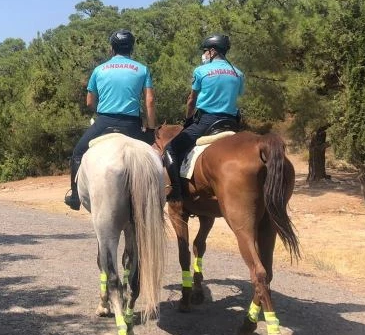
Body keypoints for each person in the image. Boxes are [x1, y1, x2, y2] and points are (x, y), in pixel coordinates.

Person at [64, 29, 157, 210]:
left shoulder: (99, 70)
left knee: (78, 153)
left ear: (112, 48)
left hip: (104, 121)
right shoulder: (142, 69)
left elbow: (90, 101)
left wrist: (101, 110)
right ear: (131, 48)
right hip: (132, 124)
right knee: (153, 157)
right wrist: (151, 129)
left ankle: (75, 197)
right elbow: (150, 101)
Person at [164, 34, 245, 203]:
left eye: (206, 51)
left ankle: (176, 191)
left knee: (170, 148)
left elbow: (191, 100)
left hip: (207, 122)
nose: (204, 54)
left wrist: (188, 119)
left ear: (213, 51)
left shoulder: (201, 71)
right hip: (231, 123)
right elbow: (237, 95)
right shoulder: (238, 73)